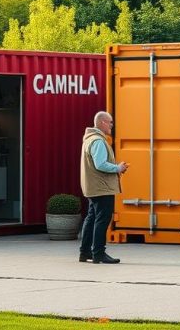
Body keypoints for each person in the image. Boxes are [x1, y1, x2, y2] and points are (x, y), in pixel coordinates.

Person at [79, 111, 128, 264]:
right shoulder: (98, 141)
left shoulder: (89, 139)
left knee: (91, 218)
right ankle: (99, 253)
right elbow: (100, 164)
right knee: (102, 219)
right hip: (102, 187)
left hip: (92, 187)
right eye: (110, 122)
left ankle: (85, 252)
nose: (112, 125)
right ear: (102, 123)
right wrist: (117, 168)